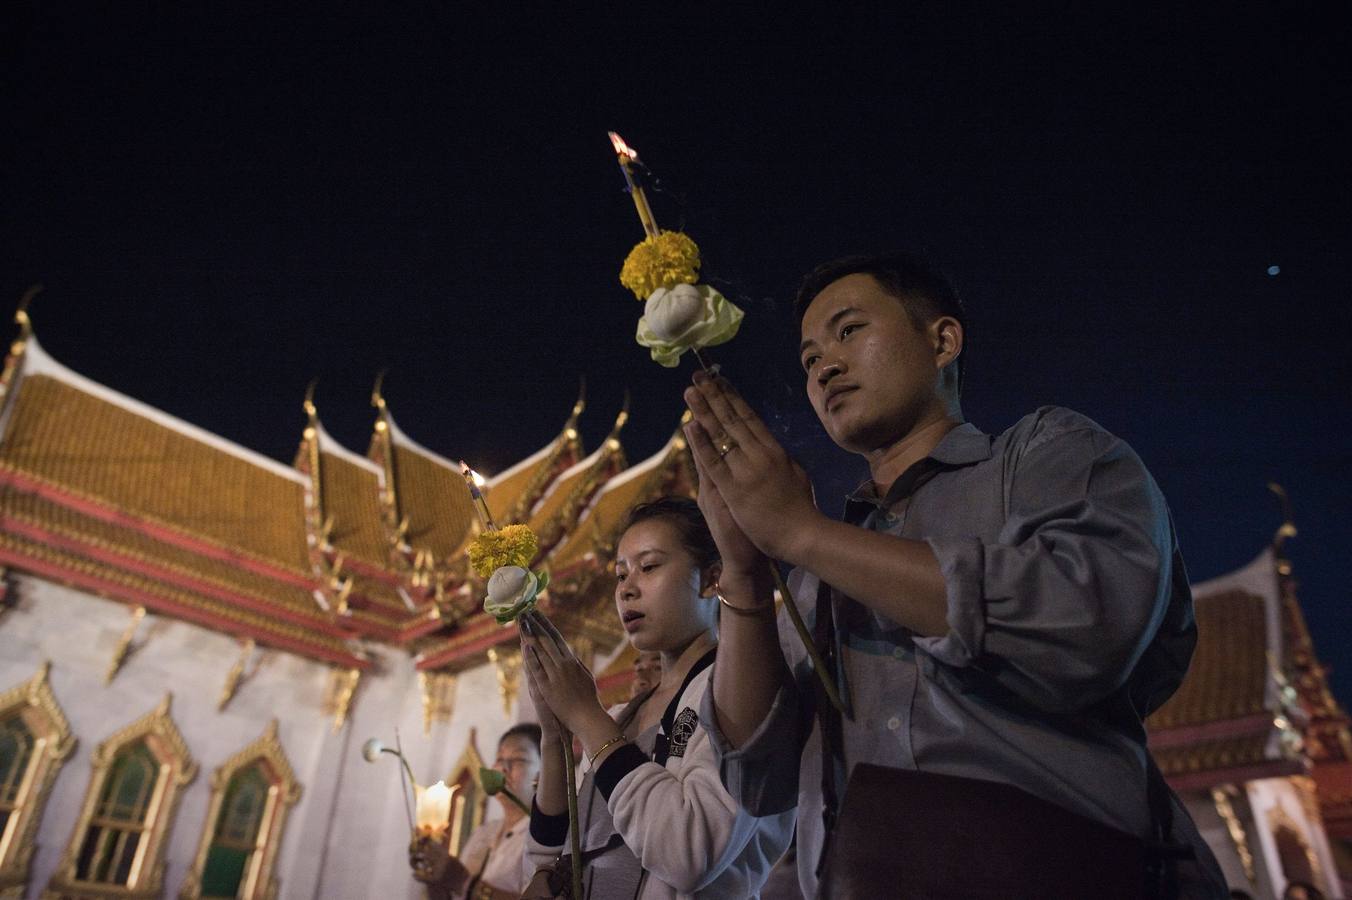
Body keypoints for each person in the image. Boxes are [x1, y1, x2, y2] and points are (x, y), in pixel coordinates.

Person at [681, 251, 1228, 898]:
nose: (823, 364)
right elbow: (759, 780)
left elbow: (1089, 623)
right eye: (807, 359)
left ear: (942, 340)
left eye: (849, 330)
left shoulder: (1046, 455)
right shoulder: (816, 572)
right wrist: (745, 574)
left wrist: (803, 534)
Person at [519, 497, 795, 898]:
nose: (627, 589)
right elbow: (549, 857)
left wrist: (585, 715)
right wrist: (554, 736)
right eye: (620, 574)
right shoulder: (619, 717)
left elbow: (687, 853)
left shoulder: (740, 694)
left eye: (648, 567)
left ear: (710, 579)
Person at [409, 723, 542, 900]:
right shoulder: (484, 833)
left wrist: (463, 881)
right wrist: (436, 878)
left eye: (518, 759)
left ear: (543, 773)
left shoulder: (543, 837)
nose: (503, 768)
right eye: (499, 759)